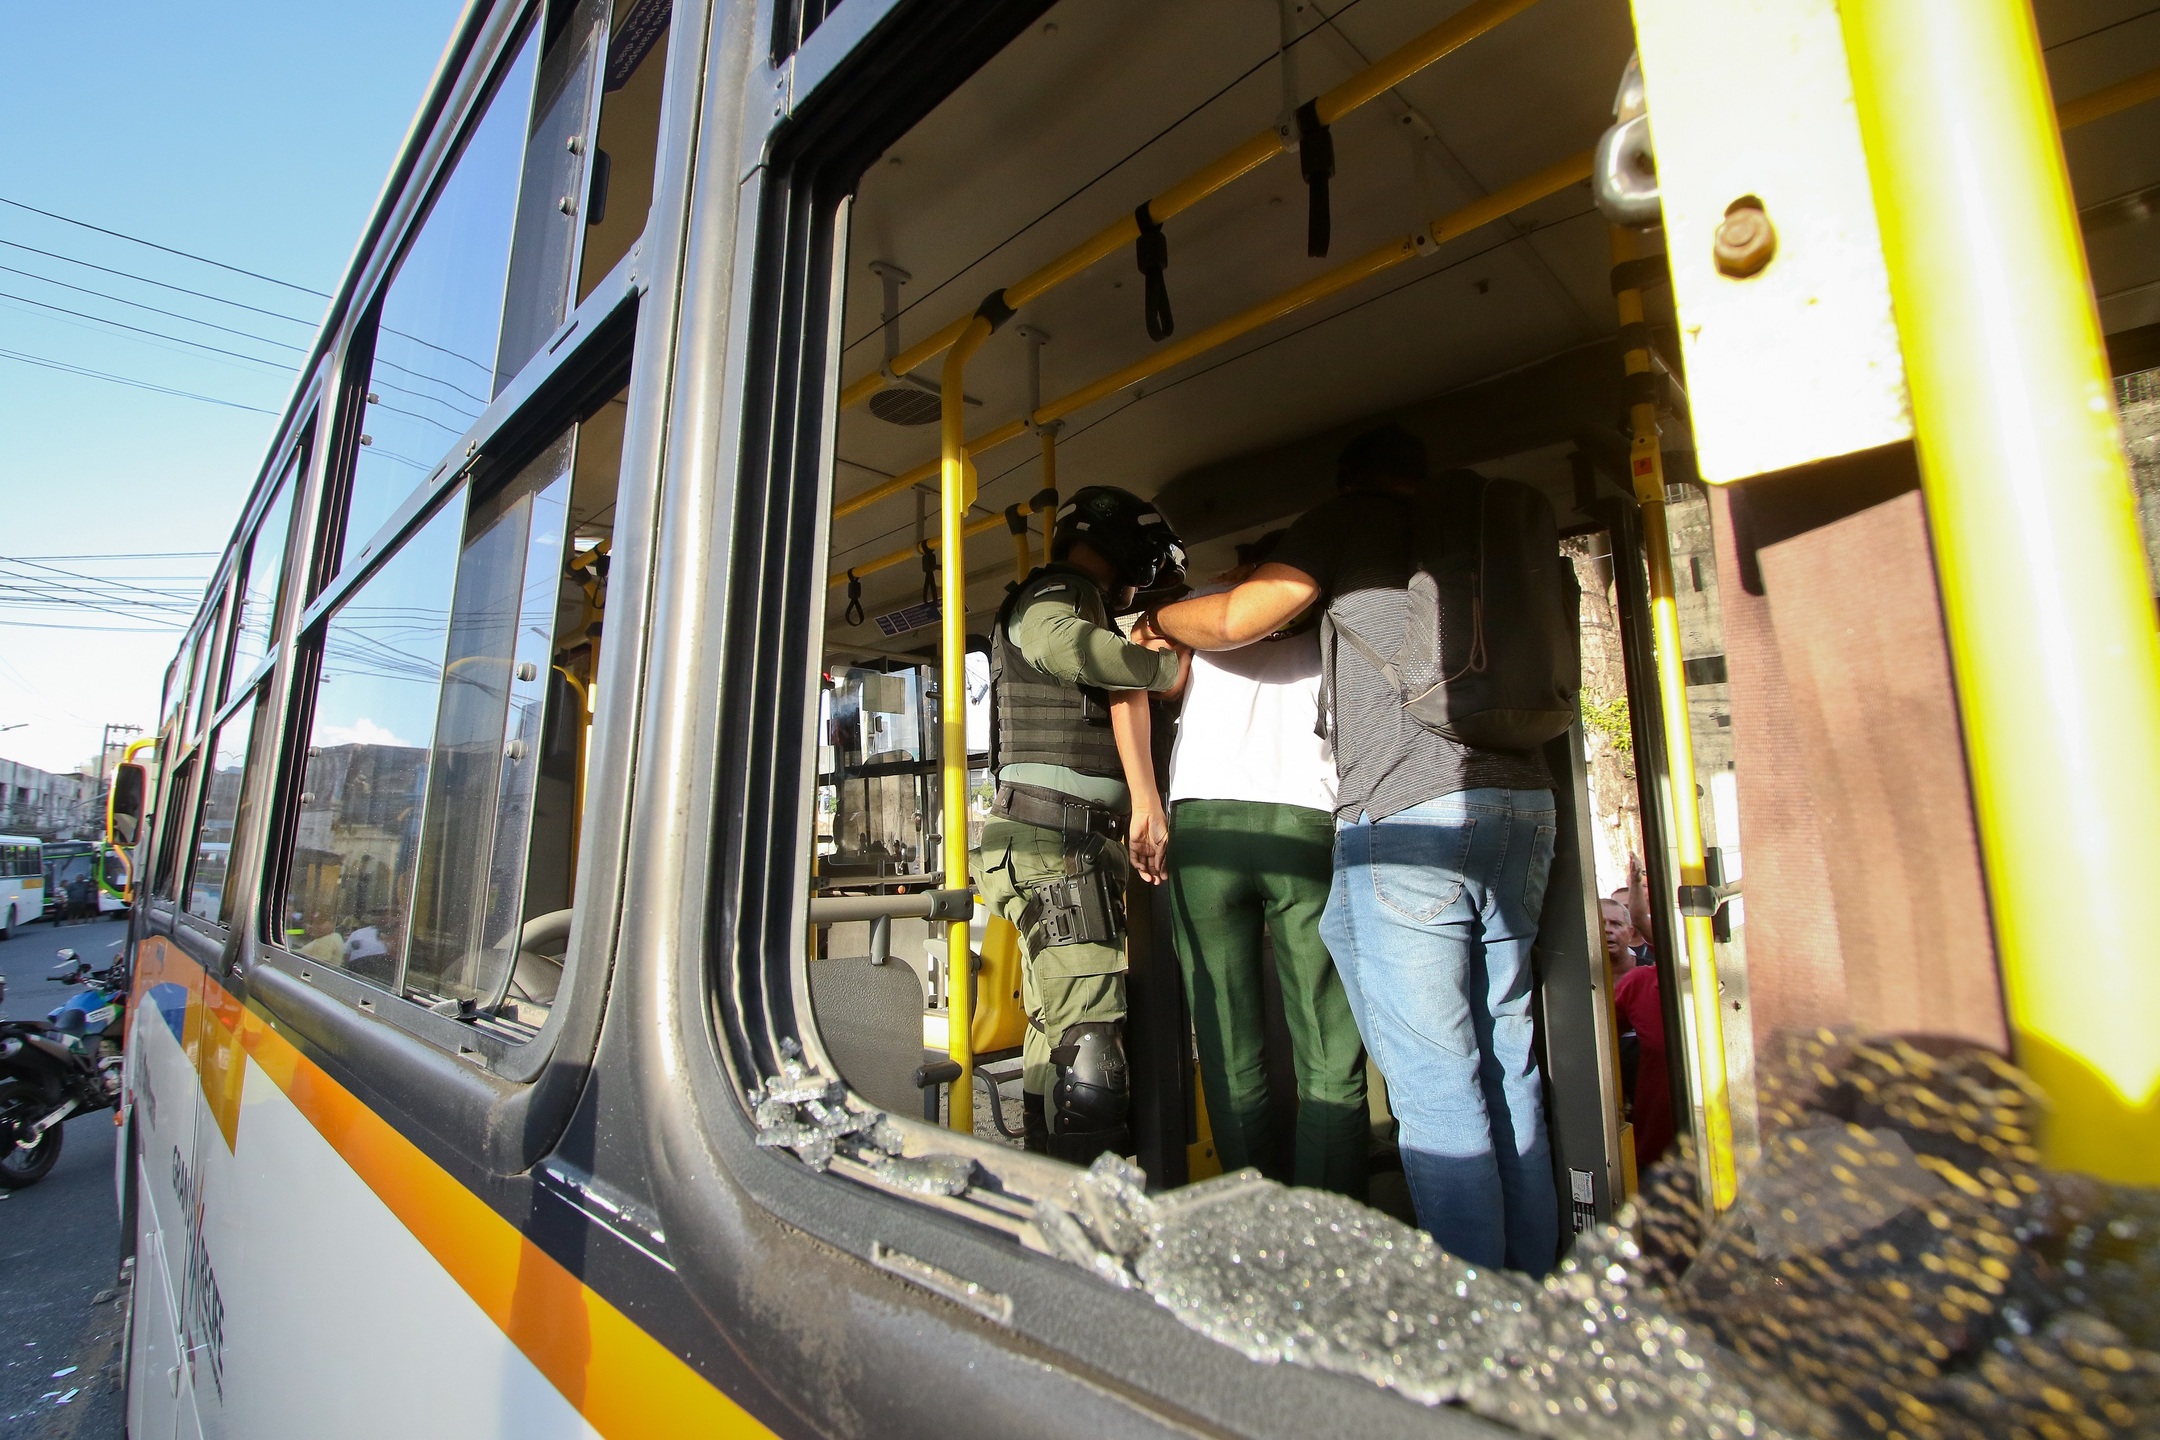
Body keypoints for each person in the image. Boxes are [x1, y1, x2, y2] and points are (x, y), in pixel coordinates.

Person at [1143, 424, 1560, 1274]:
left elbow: (1234, 616)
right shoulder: (1474, 542)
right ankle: (1531, 1291)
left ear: (1350, 484)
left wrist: (1153, 615)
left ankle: (1468, 1333)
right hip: (1524, 808)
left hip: (1410, 819)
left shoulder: (1345, 525)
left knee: (1437, 1088)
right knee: (1507, 1064)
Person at [974, 485, 1188, 1164]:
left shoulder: (1070, 597)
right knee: (1090, 1045)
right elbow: (1062, 647)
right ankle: (1089, 1238)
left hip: (1047, 840)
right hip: (1057, 845)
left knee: (1054, 1033)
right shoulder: (1059, 594)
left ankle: (1044, 1199)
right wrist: (1164, 671)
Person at [1162, 531, 1367, 1197]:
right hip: (1305, 819)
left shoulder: (1198, 607)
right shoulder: (1332, 605)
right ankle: (1328, 1226)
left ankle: (1253, 1212)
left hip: (1204, 825)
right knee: (1328, 1046)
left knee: (1227, 1042)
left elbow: (1147, 681)